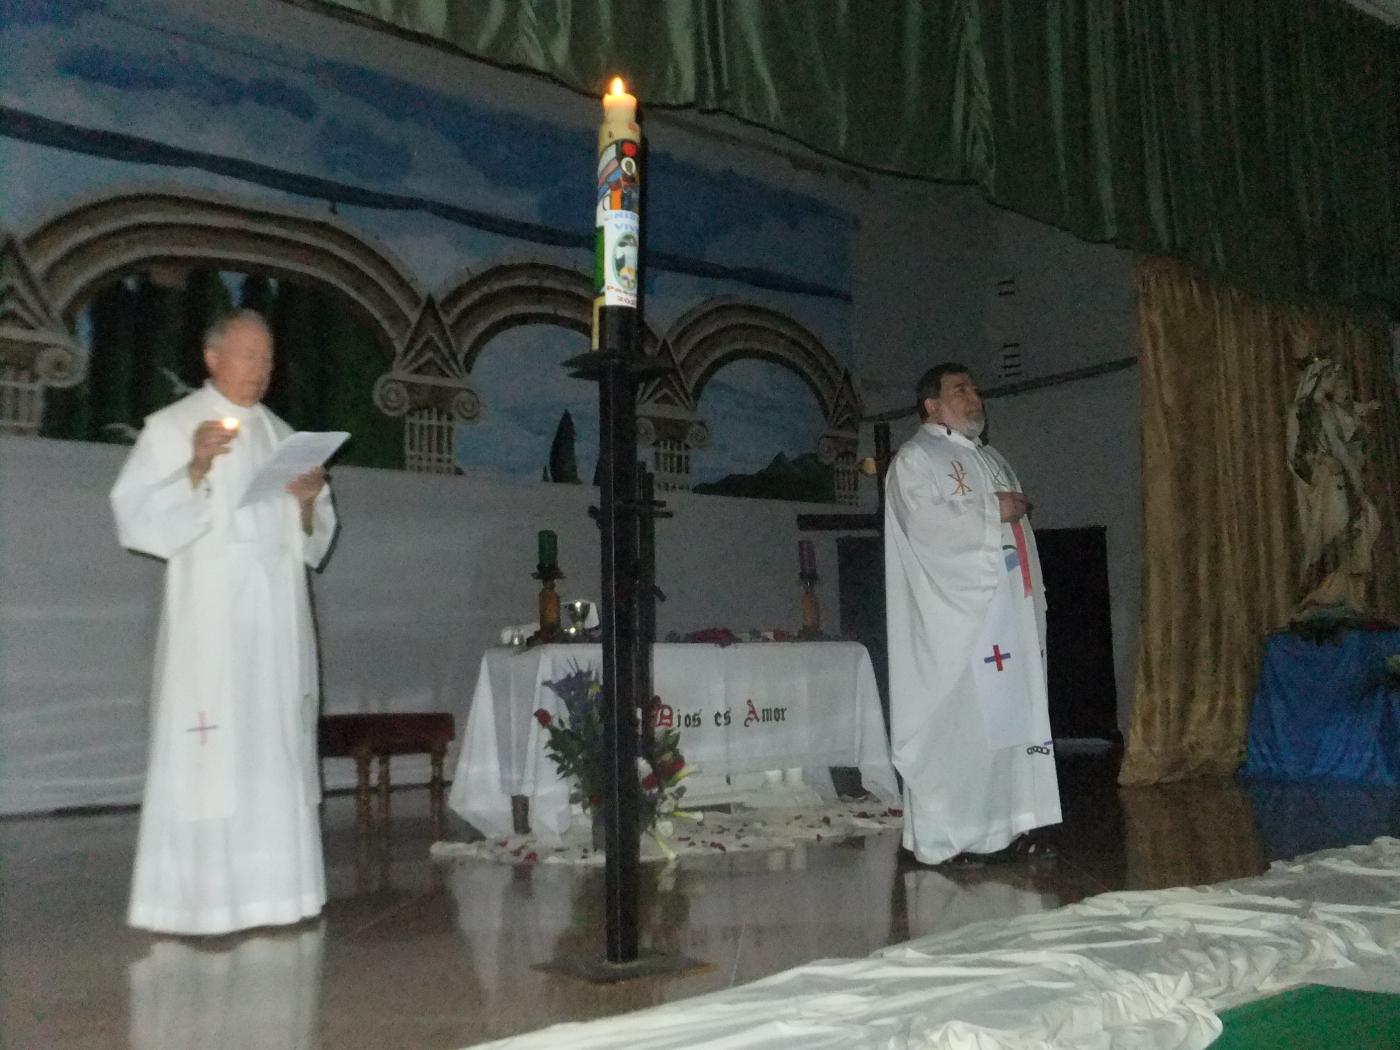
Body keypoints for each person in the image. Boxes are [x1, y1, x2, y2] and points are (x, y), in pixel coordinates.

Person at [111, 309, 337, 934]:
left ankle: (278, 893)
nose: (261, 371)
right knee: (208, 752)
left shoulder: (285, 435)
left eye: (268, 360)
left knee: (273, 749)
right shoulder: (172, 426)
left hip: (276, 622)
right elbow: (135, 520)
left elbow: (314, 542)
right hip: (210, 625)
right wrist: (194, 468)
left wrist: (309, 503)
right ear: (212, 359)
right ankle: (196, 903)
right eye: (248, 357)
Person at [884, 363, 1061, 865]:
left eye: (975, 388)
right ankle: (950, 836)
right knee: (962, 726)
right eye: (960, 389)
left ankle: (1013, 825)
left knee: (1012, 722)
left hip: (1009, 611)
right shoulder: (917, 459)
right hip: (958, 617)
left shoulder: (992, 458)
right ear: (931, 406)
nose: (974, 396)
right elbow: (924, 526)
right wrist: (991, 511)